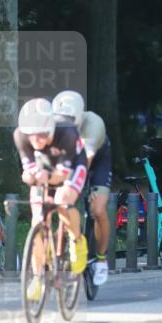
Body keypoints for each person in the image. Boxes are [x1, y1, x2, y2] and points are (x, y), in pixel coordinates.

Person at [14, 98, 89, 301]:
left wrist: (44, 177)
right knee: (37, 219)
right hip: (45, 166)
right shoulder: (21, 136)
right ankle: (38, 277)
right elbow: (30, 173)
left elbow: (61, 175)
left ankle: (77, 241)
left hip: (72, 166)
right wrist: (29, 177)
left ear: (51, 127)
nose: (36, 140)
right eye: (32, 136)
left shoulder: (67, 132)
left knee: (63, 200)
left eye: (41, 134)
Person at [51, 90, 112, 286]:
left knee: (98, 209)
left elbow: (85, 162)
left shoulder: (93, 124)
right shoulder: (53, 124)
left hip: (94, 159)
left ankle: (101, 259)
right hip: (68, 159)